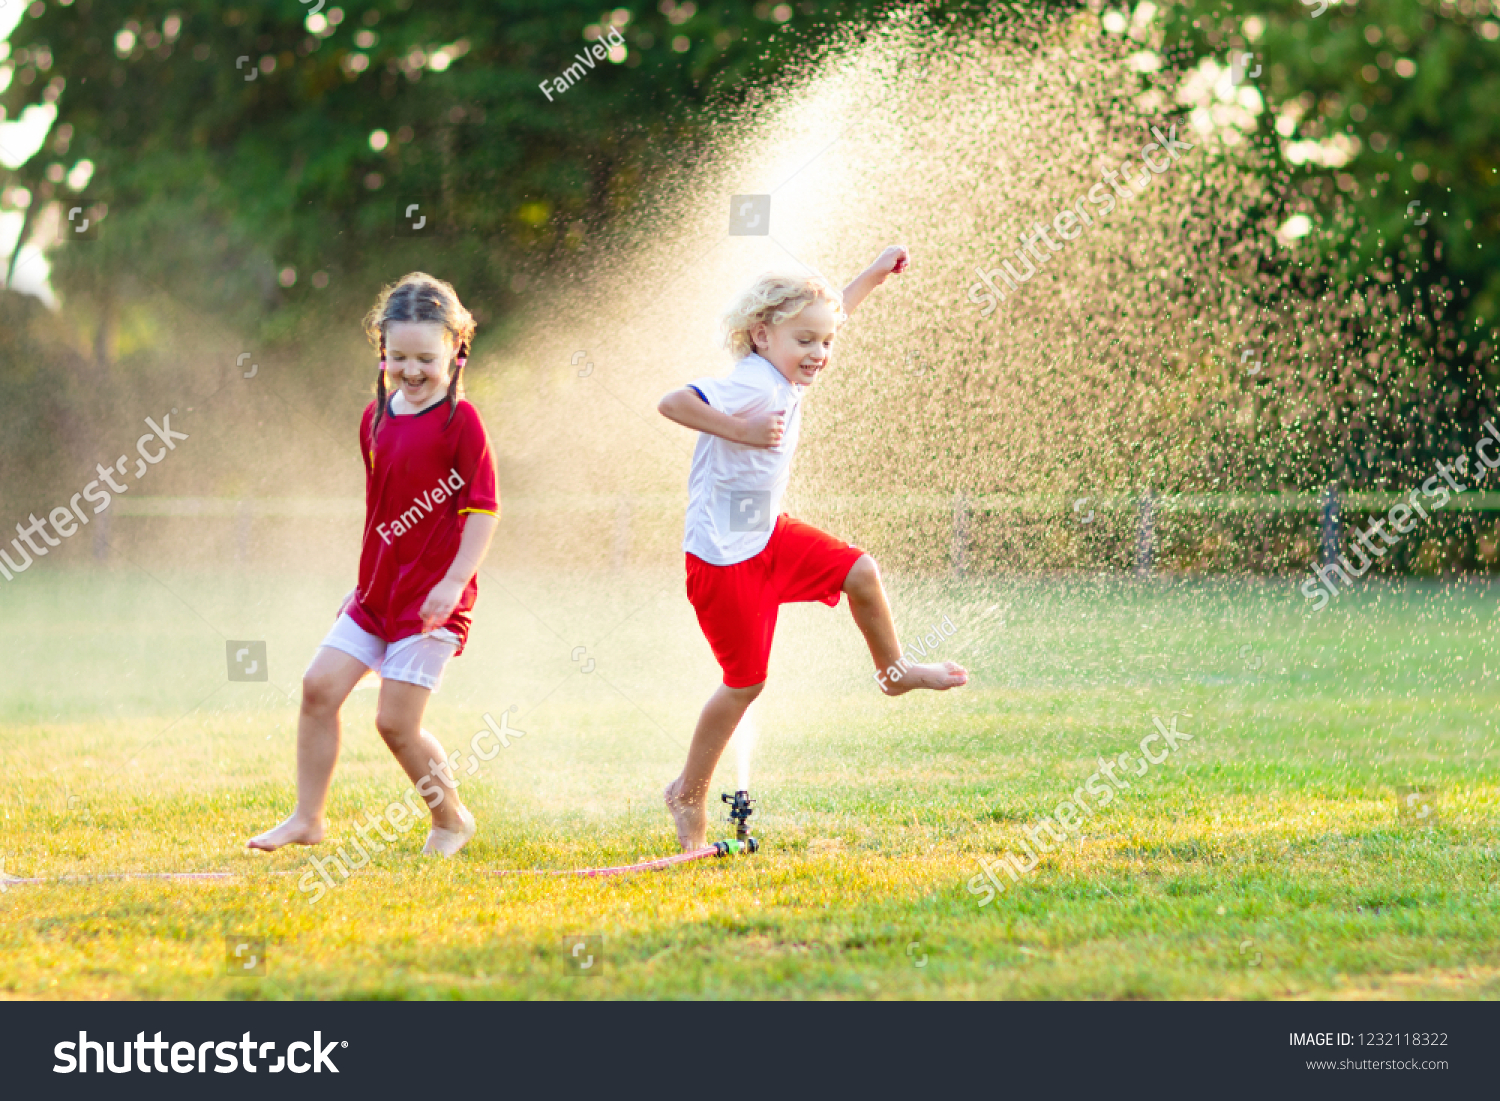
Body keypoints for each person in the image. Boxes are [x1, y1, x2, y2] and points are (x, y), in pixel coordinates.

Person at [658, 247, 968, 851]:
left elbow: (834, 314)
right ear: (762, 334)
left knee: (860, 571)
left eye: (825, 343)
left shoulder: (784, 362)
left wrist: (873, 276)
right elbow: (673, 403)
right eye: (807, 342)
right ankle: (688, 793)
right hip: (724, 560)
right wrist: (743, 431)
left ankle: (894, 671)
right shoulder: (748, 383)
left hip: (768, 533)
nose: (820, 354)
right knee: (744, 684)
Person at [248, 273, 499, 858]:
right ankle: (307, 819)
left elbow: (483, 511)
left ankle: (450, 818)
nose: (411, 370)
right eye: (399, 356)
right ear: (382, 350)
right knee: (317, 689)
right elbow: (384, 512)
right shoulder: (375, 418)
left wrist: (453, 582)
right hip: (376, 596)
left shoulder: (462, 423)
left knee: (395, 724)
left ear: (456, 352)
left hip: (434, 601)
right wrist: (363, 584)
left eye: (426, 359)